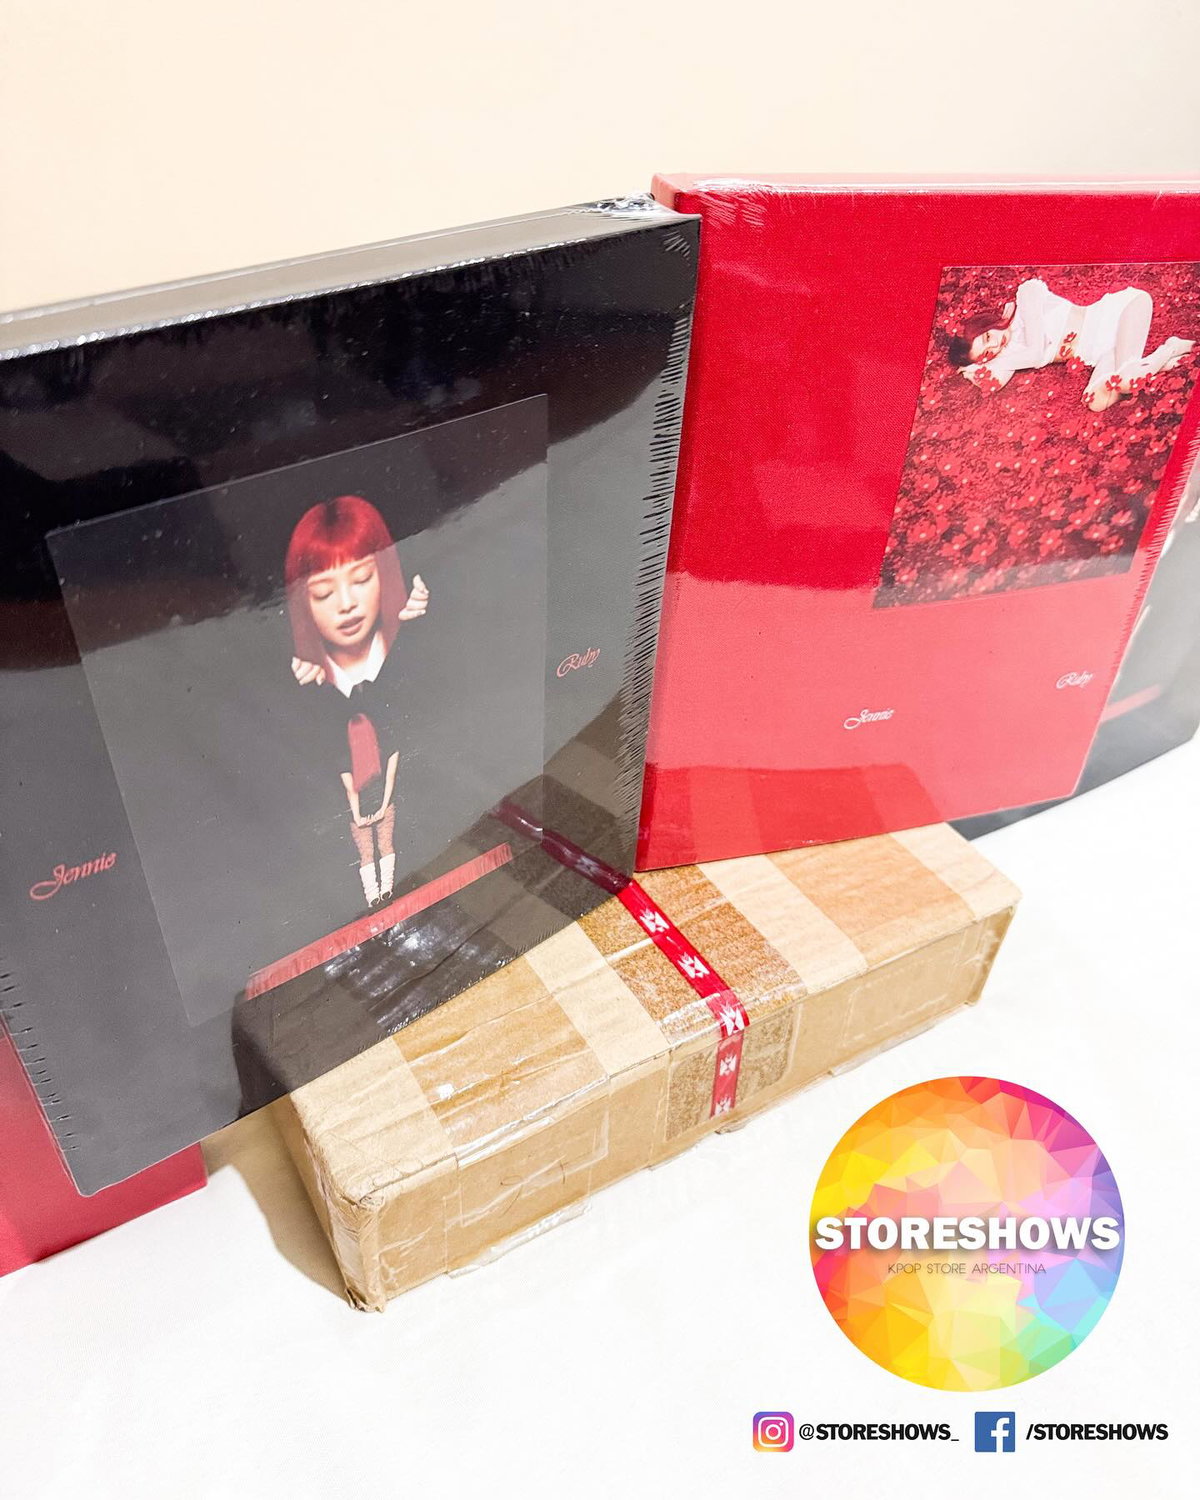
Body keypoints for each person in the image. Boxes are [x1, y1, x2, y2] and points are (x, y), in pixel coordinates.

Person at [284, 495, 430, 908]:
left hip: (394, 808)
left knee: (387, 841)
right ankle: (372, 897)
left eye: (362, 578)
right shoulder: (309, 689)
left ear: (384, 574)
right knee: (366, 848)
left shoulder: (411, 652)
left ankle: (388, 890)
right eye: (323, 592)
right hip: (353, 811)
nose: (346, 603)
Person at [947, 277, 1193, 412]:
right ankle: (1163, 358)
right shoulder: (1011, 352)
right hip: (1103, 351)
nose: (995, 347)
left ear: (986, 323)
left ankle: (1169, 350)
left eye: (987, 338)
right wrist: (973, 369)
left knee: (1127, 378)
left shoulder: (1026, 296)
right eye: (987, 353)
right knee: (1096, 402)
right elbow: (994, 383)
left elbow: (1035, 353)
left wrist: (990, 362)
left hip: (1120, 313)